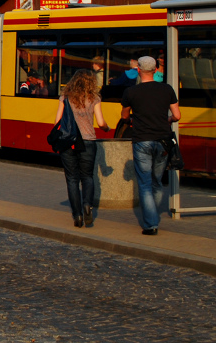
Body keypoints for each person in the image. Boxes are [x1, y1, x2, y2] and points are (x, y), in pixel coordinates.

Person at [120, 55, 181, 236]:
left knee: (145, 184)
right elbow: (177, 116)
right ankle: (152, 214)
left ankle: (150, 223)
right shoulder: (167, 89)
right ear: (155, 70)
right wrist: (167, 119)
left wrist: (133, 118)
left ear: (138, 69)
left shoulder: (131, 92)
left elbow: (124, 117)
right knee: (156, 182)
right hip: (163, 141)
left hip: (142, 140)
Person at [54, 70, 110, 228]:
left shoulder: (65, 97)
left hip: (68, 142)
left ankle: (77, 215)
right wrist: (106, 128)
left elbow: (57, 121)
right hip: (88, 141)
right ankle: (87, 205)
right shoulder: (94, 98)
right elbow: (100, 122)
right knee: (88, 177)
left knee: (72, 179)